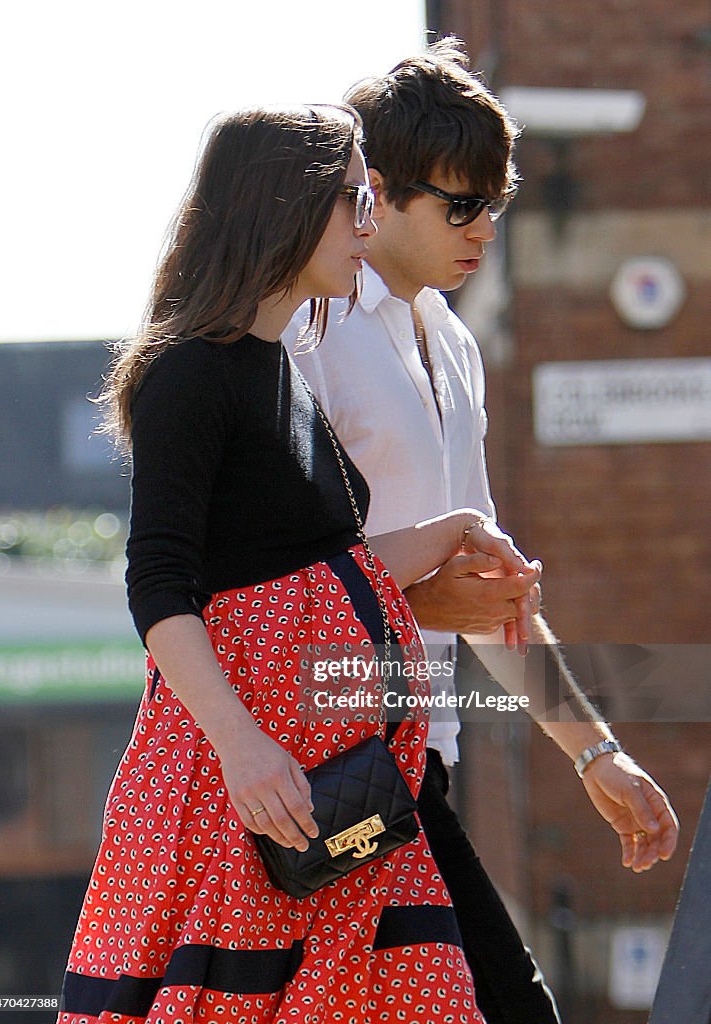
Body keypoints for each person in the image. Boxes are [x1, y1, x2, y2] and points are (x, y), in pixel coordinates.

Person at [57, 104, 537, 1024]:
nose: (368, 225)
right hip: (250, 792)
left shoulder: (284, 372)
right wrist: (243, 749)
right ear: (286, 204)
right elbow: (160, 584)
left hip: (346, 786)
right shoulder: (187, 373)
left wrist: (453, 529)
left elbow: (321, 568)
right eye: (353, 201)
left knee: (435, 1000)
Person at [284, 41, 680, 1024]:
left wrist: (595, 757)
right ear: (376, 192)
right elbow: (262, 580)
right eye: (460, 206)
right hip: (324, 764)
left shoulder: (452, 344)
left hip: (422, 762)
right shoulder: (307, 333)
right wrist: (417, 596)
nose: (485, 231)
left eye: (494, 205)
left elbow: (491, 587)